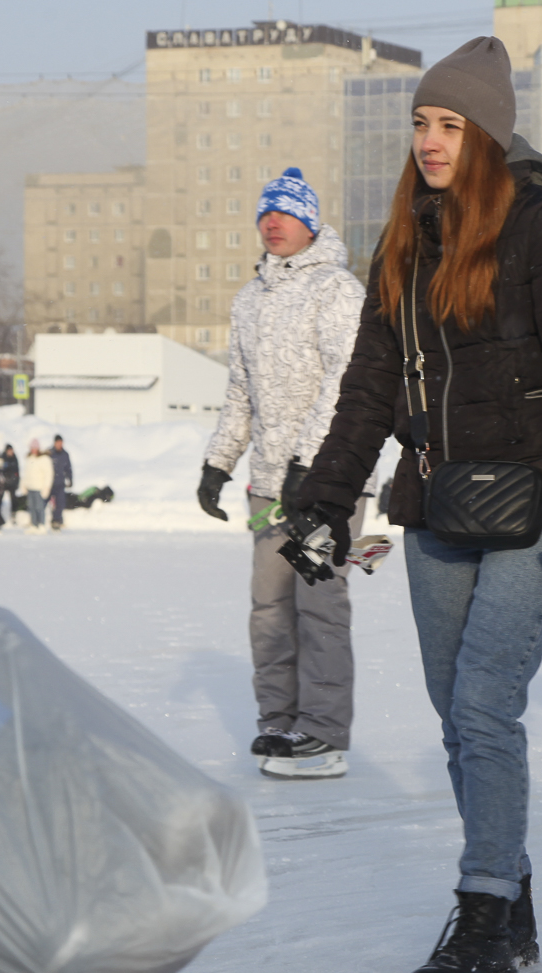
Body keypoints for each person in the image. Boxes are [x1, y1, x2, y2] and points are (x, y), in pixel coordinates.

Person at [293, 37, 542, 973]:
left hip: (538, 508)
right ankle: (510, 893)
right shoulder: (407, 238)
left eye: (450, 125)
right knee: (457, 716)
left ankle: (482, 913)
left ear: (487, 133)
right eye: (421, 124)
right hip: (435, 506)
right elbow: (367, 389)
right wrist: (322, 500)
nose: (431, 142)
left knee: (485, 701)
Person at [197, 165, 366, 780]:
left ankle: (323, 733)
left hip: (324, 487)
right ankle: (279, 722)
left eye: (286, 212)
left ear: (311, 222)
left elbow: (346, 385)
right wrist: (219, 462)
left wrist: (308, 467)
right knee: (269, 607)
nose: (273, 222)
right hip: (268, 490)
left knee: (319, 603)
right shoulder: (250, 298)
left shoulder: (338, 291)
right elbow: (240, 391)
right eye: (266, 212)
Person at [19, 439, 54, 533]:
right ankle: (34, 525)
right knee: (31, 507)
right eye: (32, 447)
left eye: (35, 447)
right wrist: (23, 485)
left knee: (40, 507)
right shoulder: (29, 458)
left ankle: (42, 525)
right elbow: (25, 473)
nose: (33, 449)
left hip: (39, 487)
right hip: (30, 487)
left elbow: (48, 474)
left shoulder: (44, 459)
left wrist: (46, 487)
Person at [48, 436, 73, 530]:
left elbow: (68, 468)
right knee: (46, 502)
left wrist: (70, 479)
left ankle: (56, 520)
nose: (60, 445)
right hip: (50, 483)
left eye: (61, 443)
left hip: (60, 483)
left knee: (60, 503)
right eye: (58, 442)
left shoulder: (65, 454)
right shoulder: (50, 453)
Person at [0, 444, 20, 523]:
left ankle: (13, 515)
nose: (10, 452)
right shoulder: (2, 458)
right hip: (4, 483)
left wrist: (17, 481)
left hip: (12, 483)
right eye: (9, 450)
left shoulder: (14, 458)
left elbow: (17, 471)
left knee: (13, 499)